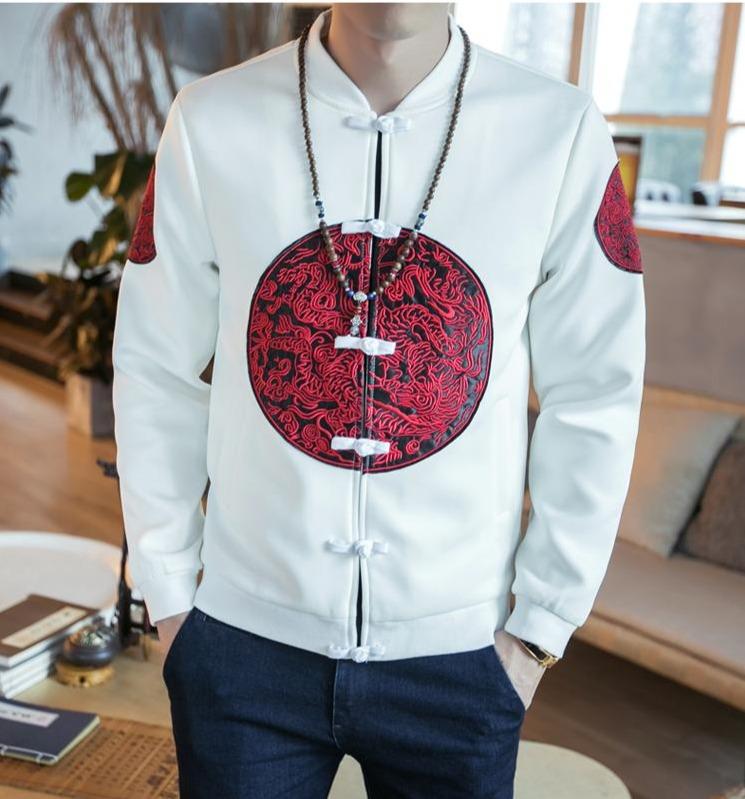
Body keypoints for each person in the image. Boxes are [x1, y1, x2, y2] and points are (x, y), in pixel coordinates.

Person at [112, 3, 645, 798]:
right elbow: (154, 365)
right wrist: (169, 597)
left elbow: (596, 390)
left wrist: (537, 631)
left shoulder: (558, 132)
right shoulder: (210, 120)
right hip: (241, 646)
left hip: (462, 657)